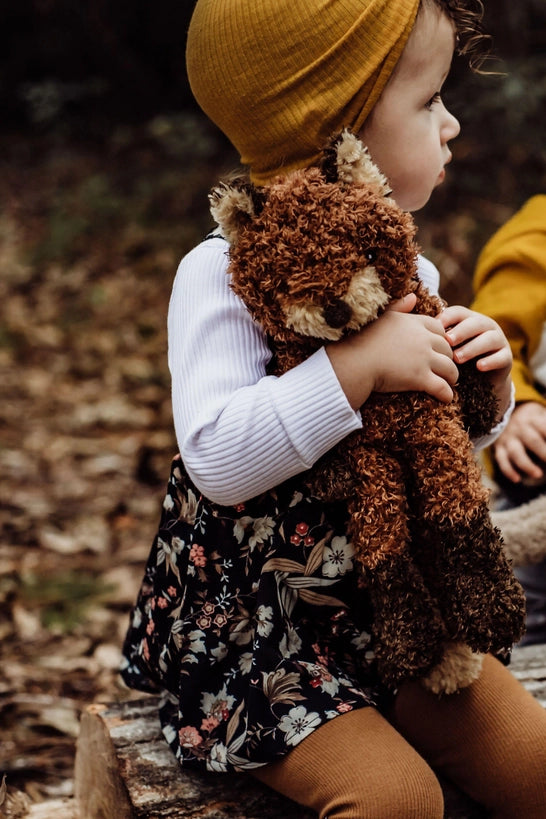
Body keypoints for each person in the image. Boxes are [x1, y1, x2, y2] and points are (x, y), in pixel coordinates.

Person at [121, 1, 546, 817]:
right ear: (337, 134)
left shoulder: (399, 255)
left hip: (393, 607)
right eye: (428, 103)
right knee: (396, 800)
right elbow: (216, 456)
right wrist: (351, 371)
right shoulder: (220, 274)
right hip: (259, 639)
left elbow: (440, 430)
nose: (452, 124)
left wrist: (487, 378)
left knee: (534, 763)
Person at [472, 195, 546, 647]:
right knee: (518, 606)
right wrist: (518, 407)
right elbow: (492, 330)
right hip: (537, 448)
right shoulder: (538, 235)